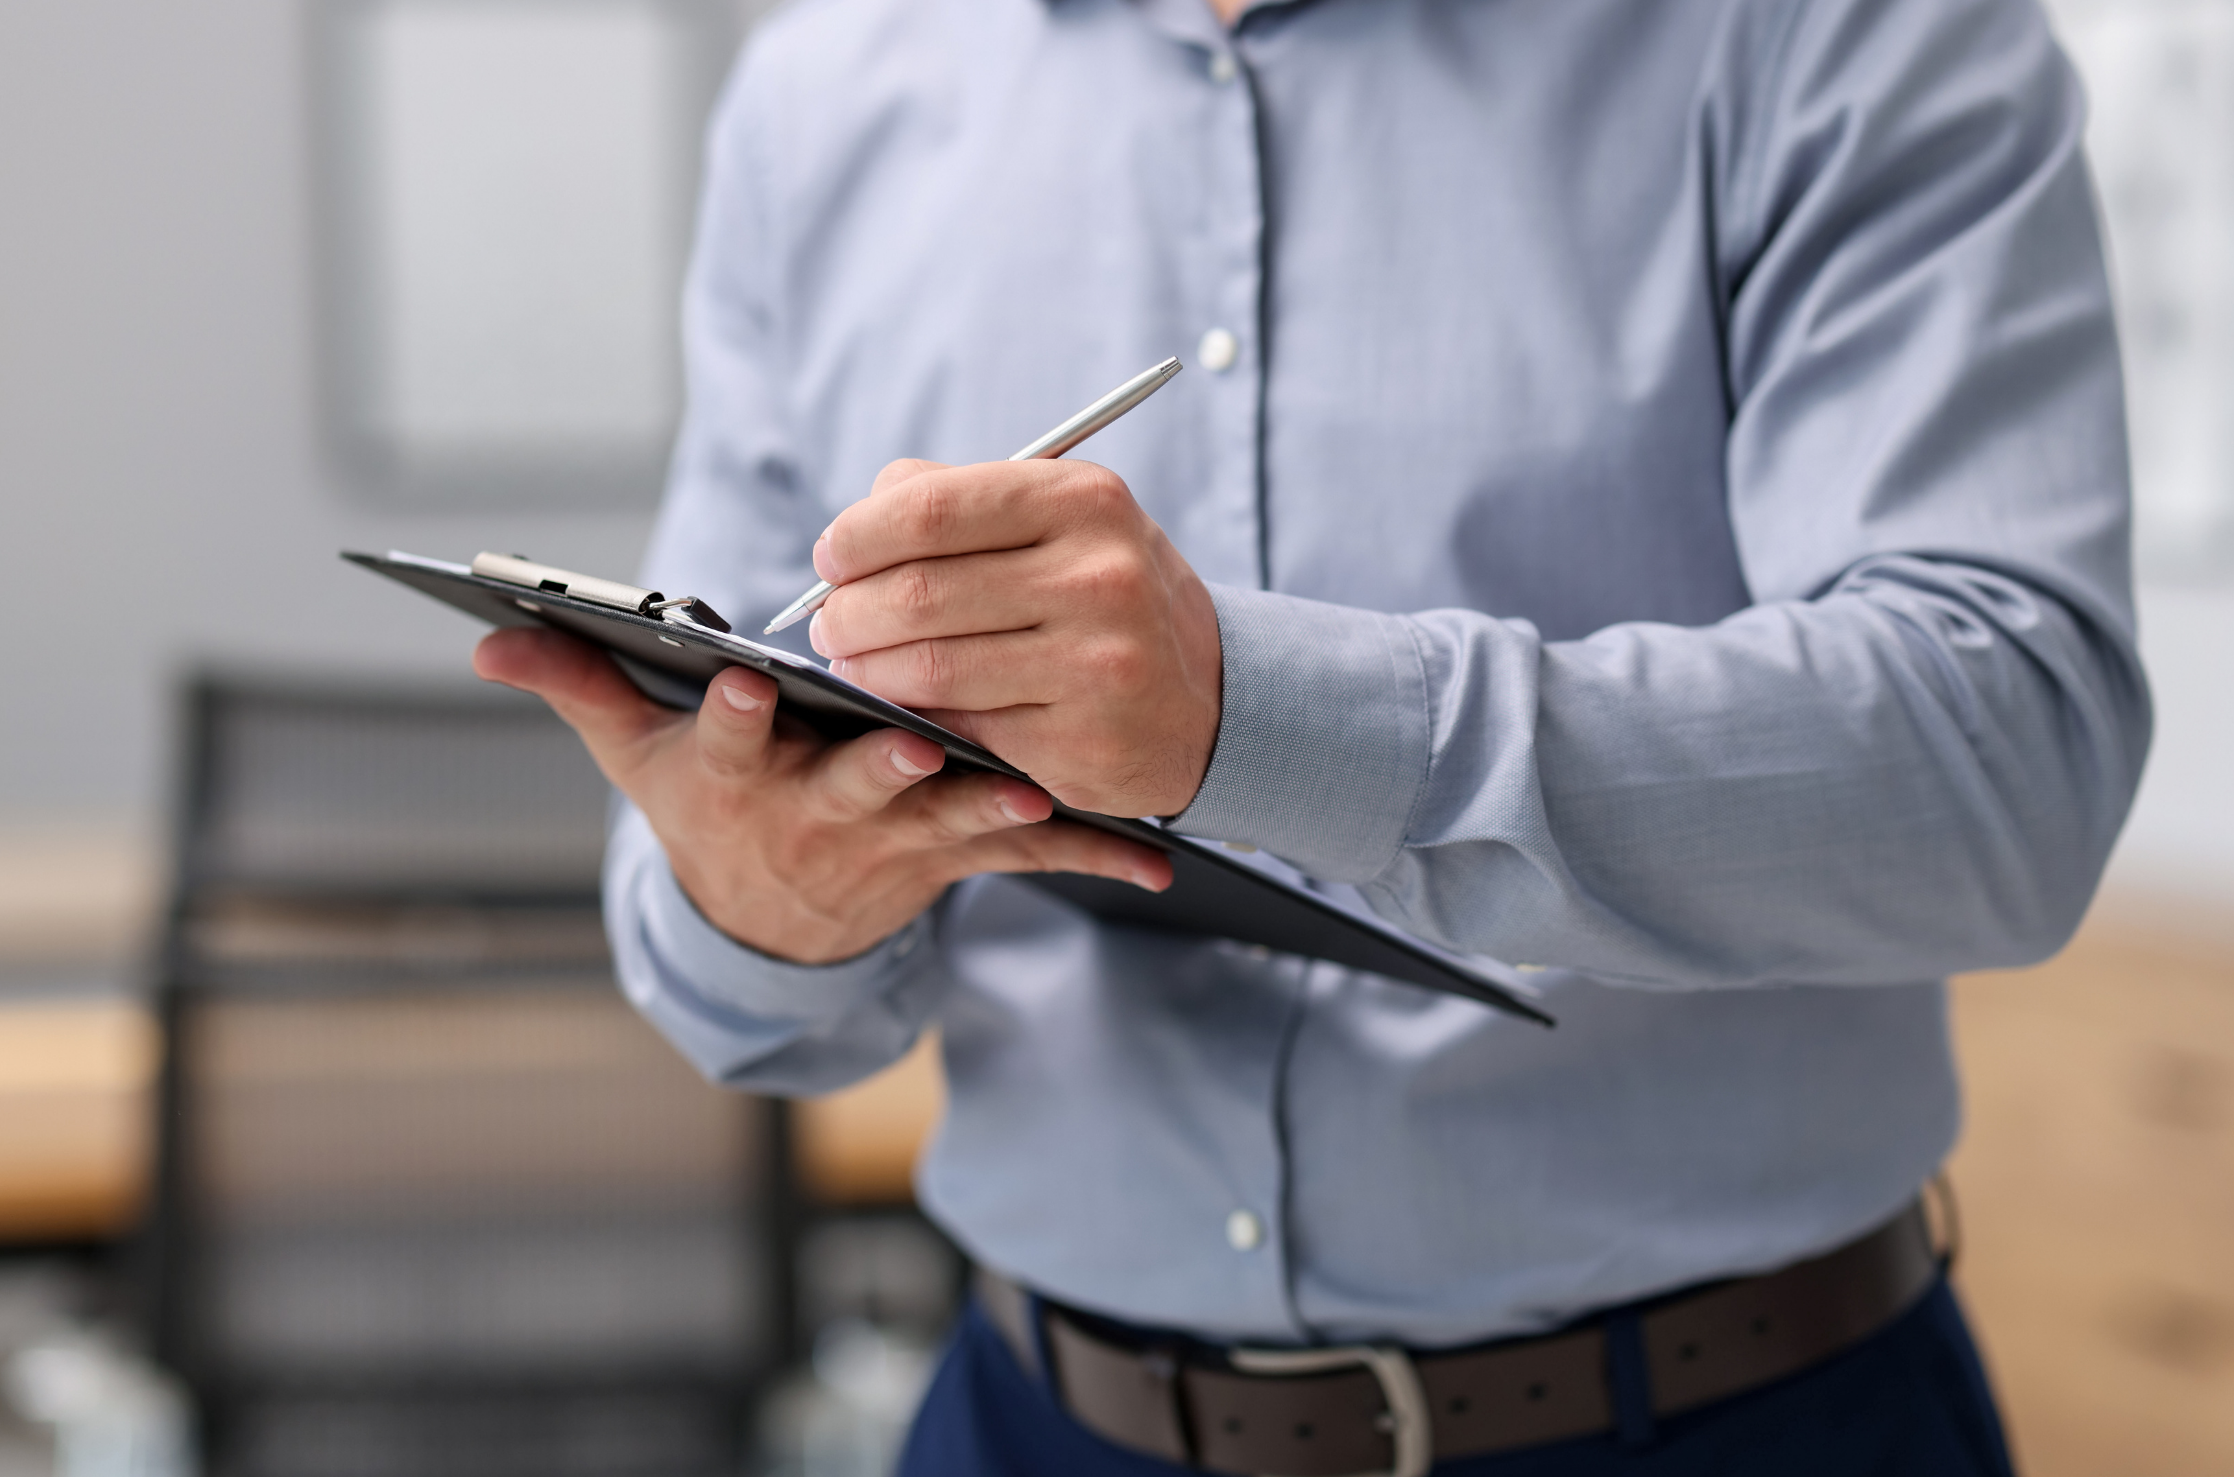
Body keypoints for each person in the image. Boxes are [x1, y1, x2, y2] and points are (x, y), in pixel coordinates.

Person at [474, 0, 2151, 1470]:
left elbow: (2008, 760)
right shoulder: (816, 94)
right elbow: (727, 959)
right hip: (1032, 1425)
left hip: (1736, 1426)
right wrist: (762, 894)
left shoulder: (1832, 27)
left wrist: (1251, 722)